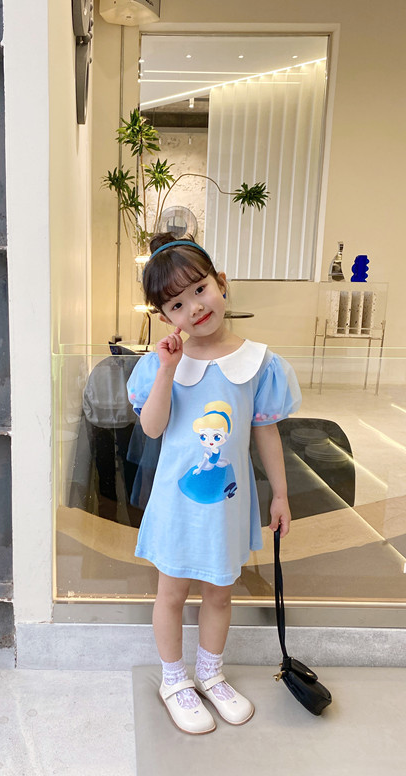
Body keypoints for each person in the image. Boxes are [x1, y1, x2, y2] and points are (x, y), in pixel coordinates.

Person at [127, 234, 301, 735]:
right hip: (176, 505)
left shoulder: (258, 363)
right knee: (171, 594)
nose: (195, 308)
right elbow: (152, 428)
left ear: (220, 283)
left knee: (220, 594)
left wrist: (281, 495)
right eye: (177, 305)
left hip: (227, 502)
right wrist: (167, 368)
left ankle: (210, 673)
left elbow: (265, 432)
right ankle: (174, 680)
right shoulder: (162, 363)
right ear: (165, 316)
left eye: (200, 290)